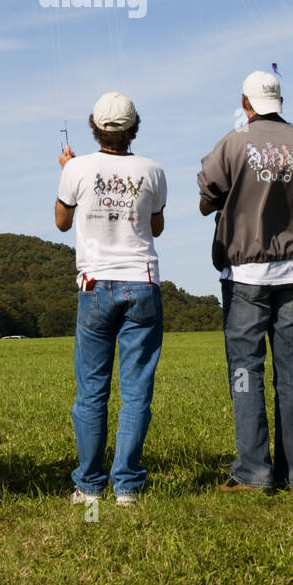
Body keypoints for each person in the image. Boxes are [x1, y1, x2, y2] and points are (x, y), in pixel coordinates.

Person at [198, 71, 293, 493]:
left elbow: (206, 197)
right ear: (279, 100)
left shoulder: (233, 143)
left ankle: (254, 472)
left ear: (245, 103)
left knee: (246, 371)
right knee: (292, 369)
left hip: (246, 272)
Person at [55, 93, 167, 505]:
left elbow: (62, 222)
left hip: (95, 285)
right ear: (134, 127)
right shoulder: (153, 170)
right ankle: (127, 487)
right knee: (136, 391)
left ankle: (88, 486)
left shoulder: (78, 168)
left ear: (94, 126)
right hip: (142, 282)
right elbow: (156, 225)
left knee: (92, 390)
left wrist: (69, 172)